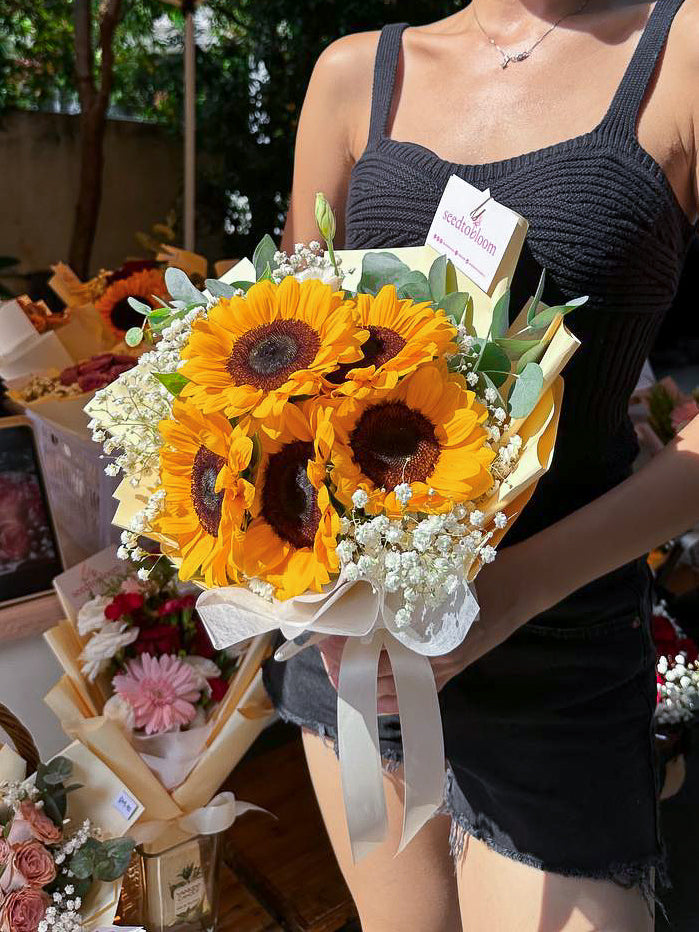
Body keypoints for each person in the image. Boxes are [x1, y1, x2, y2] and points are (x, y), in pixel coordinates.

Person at [263, 2, 699, 929]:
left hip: (559, 660)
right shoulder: (353, 73)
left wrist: (501, 599)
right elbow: (277, 371)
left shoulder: (683, 52)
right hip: (357, 651)